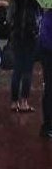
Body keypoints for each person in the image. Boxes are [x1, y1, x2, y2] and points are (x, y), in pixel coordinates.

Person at [9, 0, 41, 112]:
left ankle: (14, 102)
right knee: (27, 70)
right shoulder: (36, 1)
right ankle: (24, 102)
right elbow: (39, 20)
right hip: (30, 39)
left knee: (17, 70)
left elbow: (9, 17)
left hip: (17, 38)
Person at [39, 9, 52, 137]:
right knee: (49, 90)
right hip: (49, 58)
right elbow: (45, 41)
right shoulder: (48, 18)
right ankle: (47, 125)